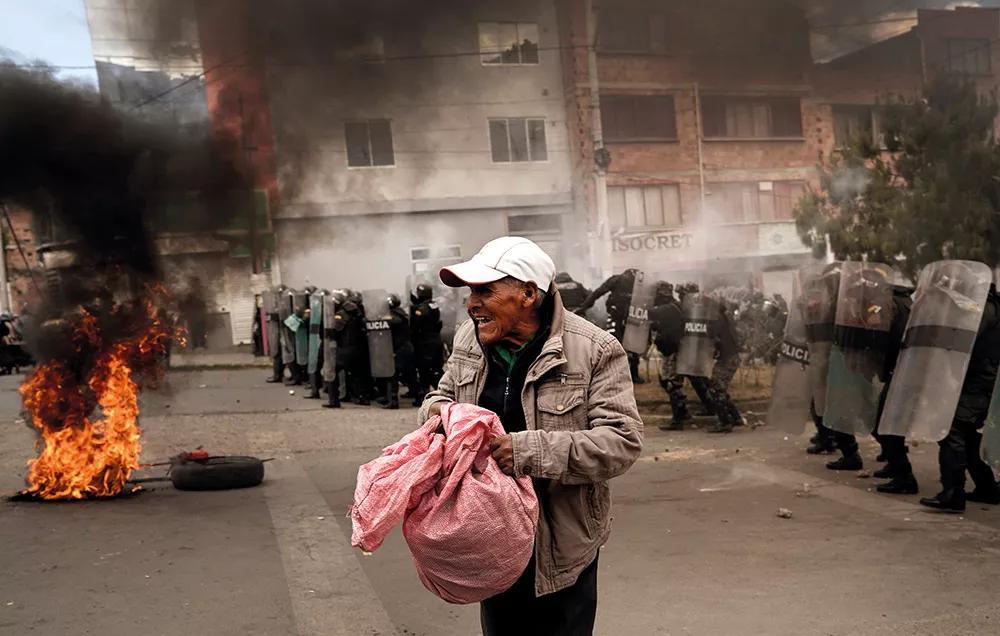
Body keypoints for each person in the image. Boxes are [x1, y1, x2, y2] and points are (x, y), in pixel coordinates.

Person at [419, 236, 643, 636]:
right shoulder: (469, 338)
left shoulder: (594, 349)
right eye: (471, 292)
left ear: (527, 294)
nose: (472, 304)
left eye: (485, 291)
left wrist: (527, 451)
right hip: (489, 535)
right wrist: (444, 415)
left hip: (561, 542)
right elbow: (439, 398)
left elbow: (621, 441)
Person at [921, 284, 1000, 512]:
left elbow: (963, 340)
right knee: (968, 434)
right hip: (979, 379)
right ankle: (987, 488)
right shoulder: (989, 306)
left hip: (979, 381)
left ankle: (953, 493)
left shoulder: (983, 309)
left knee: (951, 429)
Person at [575, 268, 644, 383]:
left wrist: (584, 307)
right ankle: (633, 374)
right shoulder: (638, 283)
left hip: (619, 316)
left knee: (615, 343)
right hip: (630, 317)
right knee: (630, 345)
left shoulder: (618, 279)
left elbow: (598, 292)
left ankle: (618, 373)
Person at [648, 281, 688, 430]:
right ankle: (683, 413)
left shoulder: (669, 308)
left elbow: (650, 314)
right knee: (666, 381)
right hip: (672, 350)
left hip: (673, 351)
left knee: (672, 384)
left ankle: (678, 420)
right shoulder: (675, 307)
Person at [703, 297, 744, 433]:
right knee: (719, 387)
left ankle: (725, 422)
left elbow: (711, 335)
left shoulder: (717, 320)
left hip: (727, 358)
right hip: (730, 357)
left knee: (715, 389)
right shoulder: (723, 318)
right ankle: (735, 417)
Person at [333, 290, 372, 405]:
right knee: (357, 374)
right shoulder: (357, 312)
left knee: (334, 371)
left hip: (345, 347)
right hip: (358, 347)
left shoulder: (341, 314)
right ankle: (362, 397)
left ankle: (334, 399)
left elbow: (336, 331)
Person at [409, 283, 445, 406]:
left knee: (424, 370)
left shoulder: (421, 310)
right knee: (436, 369)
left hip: (425, 343)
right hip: (436, 340)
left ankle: (424, 397)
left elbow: (415, 327)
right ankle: (445, 393)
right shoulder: (433, 305)